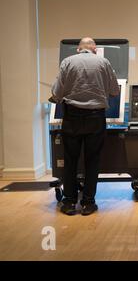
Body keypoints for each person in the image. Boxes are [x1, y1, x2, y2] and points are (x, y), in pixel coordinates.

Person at [50, 37, 119, 215]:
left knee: (70, 160)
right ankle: (88, 203)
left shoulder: (68, 62)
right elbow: (114, 91)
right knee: (92, 160)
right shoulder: (104, 62)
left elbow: (57, 92)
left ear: (78, 49)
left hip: (72, 117)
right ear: (95, 49)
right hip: (96, 118)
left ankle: (70, 202)